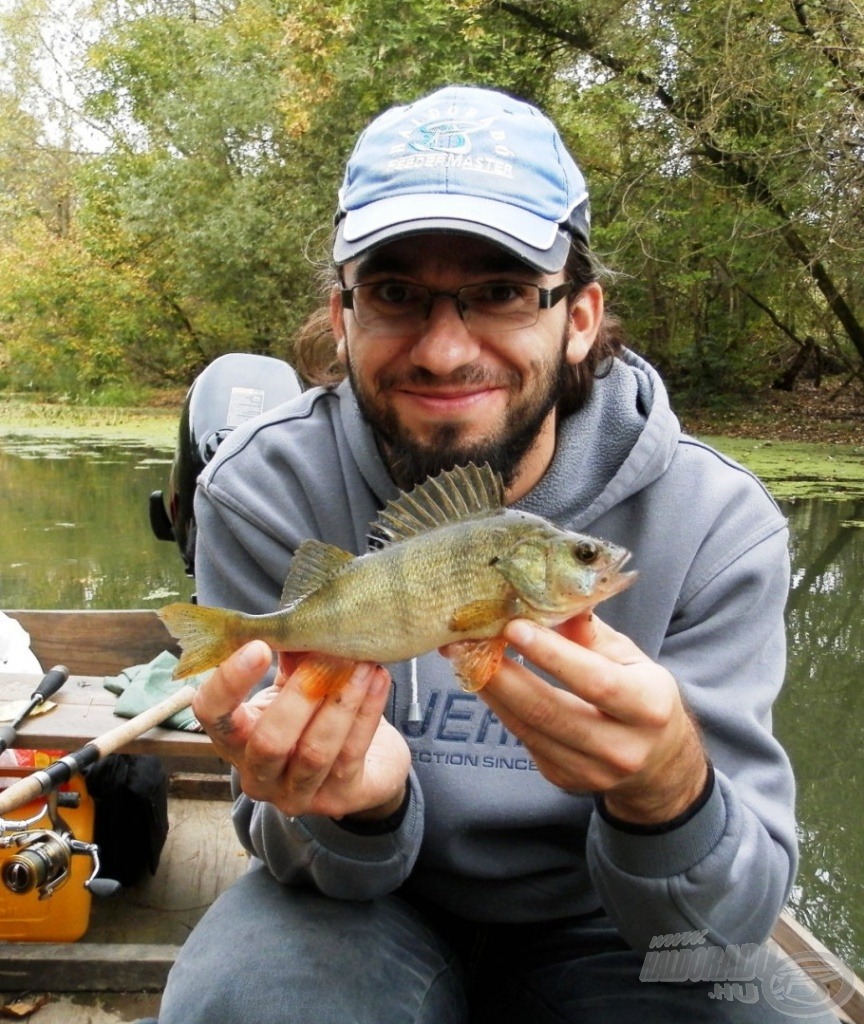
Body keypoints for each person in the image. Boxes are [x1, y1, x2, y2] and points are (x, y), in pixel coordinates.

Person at [145, 85, 837, 1024]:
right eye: (395, 293)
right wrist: (354, 809)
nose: (443, 348)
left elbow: (722, 930)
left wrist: (669, 788)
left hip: (619, 930)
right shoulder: (260, 490)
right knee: (247, 999)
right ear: (344, 314)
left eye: (502, 291)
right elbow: (286, 842)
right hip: (366, 911)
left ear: (579, 315)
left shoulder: (719, 524)